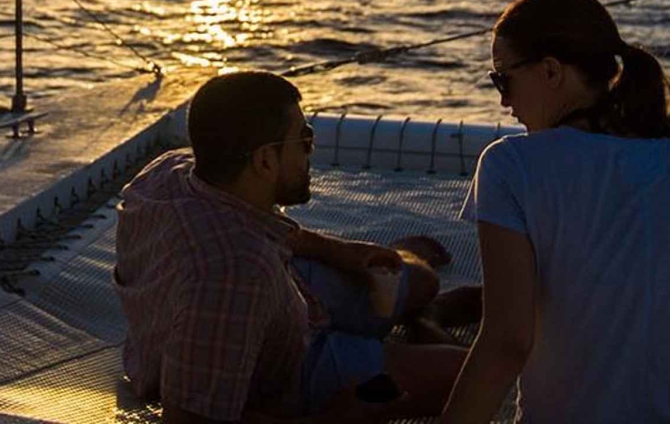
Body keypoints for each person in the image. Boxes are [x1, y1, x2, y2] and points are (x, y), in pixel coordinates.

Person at [439, 0, 670, 424]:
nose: (504, 101)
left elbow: (508, 342)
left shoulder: (510, 166)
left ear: (551, 71)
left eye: (503, 78)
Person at [114, 70, 469, 423]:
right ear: (265, 160)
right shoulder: (235, 275)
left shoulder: (169, 174)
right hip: (287, 371)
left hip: (287, 293)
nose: (310, 153)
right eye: (305, 140)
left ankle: (422, 307)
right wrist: (336, 419)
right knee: (468, 374)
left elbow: (250, 225)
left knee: (422, 281)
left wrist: (341, 252)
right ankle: (423, 320)